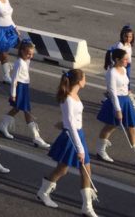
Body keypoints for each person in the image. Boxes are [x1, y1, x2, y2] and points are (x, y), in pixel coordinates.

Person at [36, 69, 97, 216]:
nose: (86, 80)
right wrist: (80, 148)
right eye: (85, 78)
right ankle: (43, 192)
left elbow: (71, 120)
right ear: (79, 81)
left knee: (85, 170)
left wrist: (63, 123)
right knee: (63, 169)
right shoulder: (69, 98)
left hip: (77, 134)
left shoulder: (74, 95)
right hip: (72, 137)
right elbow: (70, 124)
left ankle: (87, 207)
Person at [94, 48, 135, 168]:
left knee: (132, 128)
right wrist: (118, 109)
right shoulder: (111, 73)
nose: (128, 61)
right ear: (117, 59)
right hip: (116, 102)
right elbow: (112, 92)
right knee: (110, 127)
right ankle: (100, 150)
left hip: (126, 101)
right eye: (125, 59)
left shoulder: (123, 69)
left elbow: (125, 86)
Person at [0, 39, 48, 148]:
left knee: (17, 109)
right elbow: (14, 79)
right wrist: (13, 94)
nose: (31, 56)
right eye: (29, 53)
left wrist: (31, 45)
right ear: (22, 52)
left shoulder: (25, 60)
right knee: (26, 110)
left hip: (24, 86)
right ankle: (36, 137)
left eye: (32, 54)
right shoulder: (19, 63)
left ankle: (3, 125)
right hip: (19, 87)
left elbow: (28, 58)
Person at [111, 25, 135, 116]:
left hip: (127, 66)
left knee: (126, 85)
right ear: (122, 36)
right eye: (126, 36)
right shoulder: (120, 45)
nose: (128, 38)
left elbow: (129, 57)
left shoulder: (129, 45)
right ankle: (133, 106)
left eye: (130, 36)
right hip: (123, 66)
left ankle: (110, 98)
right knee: (127, 87)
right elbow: (117, 58)